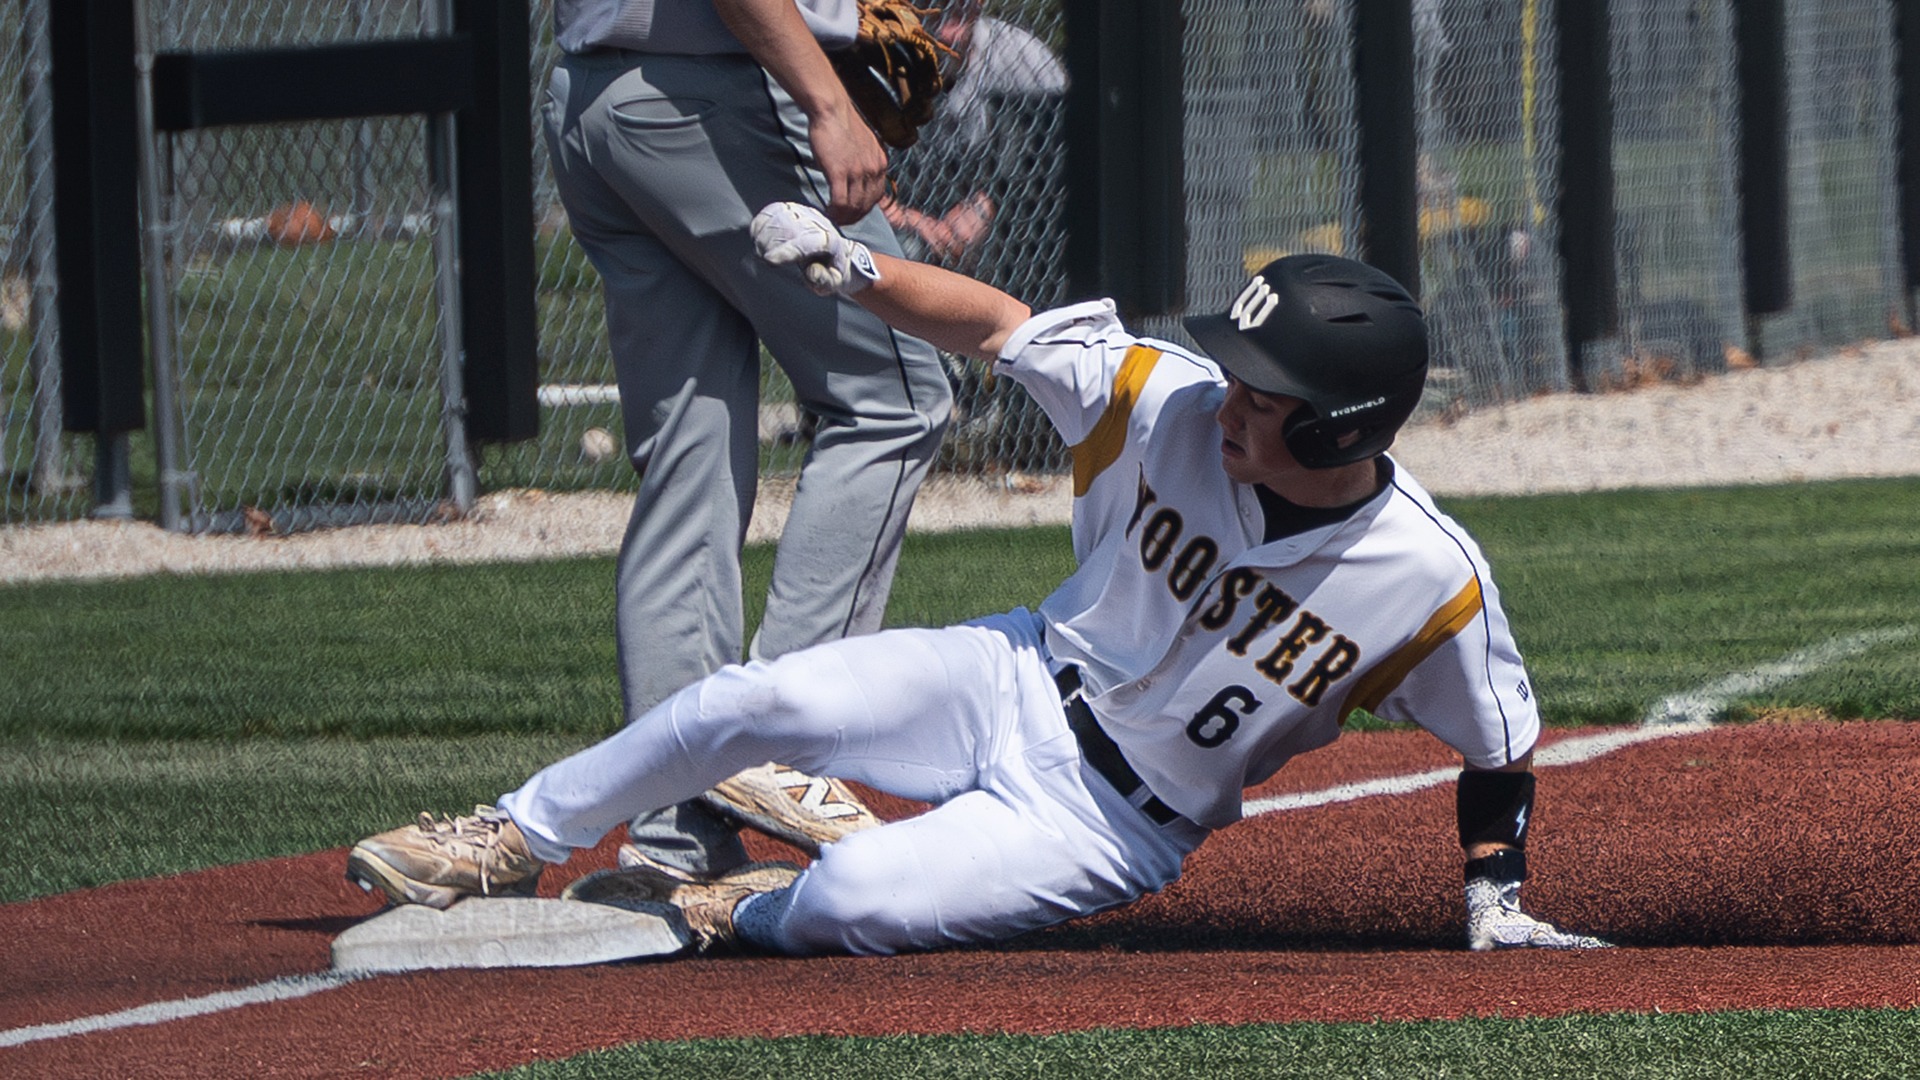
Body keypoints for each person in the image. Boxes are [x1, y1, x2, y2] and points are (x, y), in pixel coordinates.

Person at [347, 206, 1609, 956]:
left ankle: (745, 905)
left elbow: (1500, 742)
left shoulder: (1428, 579)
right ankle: (515, 832)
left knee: (851, 904)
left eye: (1262, 393)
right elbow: (1002, 325)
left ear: (1339, 429)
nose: (1225, 395)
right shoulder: (1166, 400)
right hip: (1008, 673)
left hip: (1110, 827)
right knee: (748, 697)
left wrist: (1492, 899)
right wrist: (856, 268)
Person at [541, 0, 954, 876]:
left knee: (691, 459)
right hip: (713, 96)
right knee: (902, 394)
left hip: (592, 100)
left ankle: (674, 832)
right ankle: (770, 736)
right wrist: (827, 100)